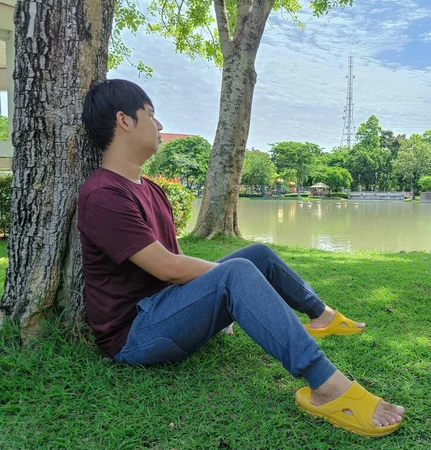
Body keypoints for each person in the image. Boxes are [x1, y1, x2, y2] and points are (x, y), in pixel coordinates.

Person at [78, 79, 405, 438]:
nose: (158, 126)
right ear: (124, 121)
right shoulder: (103, 194)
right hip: (136, 334)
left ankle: (321, 316)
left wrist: (213, 298)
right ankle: (327, 385)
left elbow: (176, 256)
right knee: (237, 272)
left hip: (168, 310)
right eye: (151, 116)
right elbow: (166, 268)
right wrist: (228, 286)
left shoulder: (150, 188)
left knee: (257, 255)